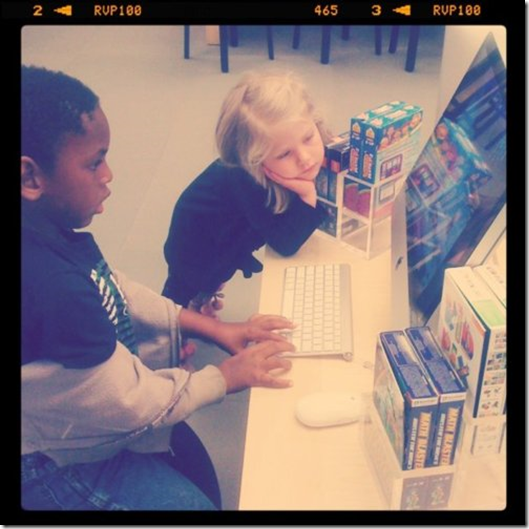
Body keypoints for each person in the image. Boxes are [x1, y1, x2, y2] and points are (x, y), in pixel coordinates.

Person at [21, 65, 295, 511]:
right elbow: (126, 401)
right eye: (94, 162)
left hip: (83, 417)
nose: (108, 174)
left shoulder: (48, 231)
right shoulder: (54, 288)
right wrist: (224, 377)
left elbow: (111, 285)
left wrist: (213, 329)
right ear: (30, 178)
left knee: (196, 469)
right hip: (49, 458)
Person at [162, 69, 331, 317]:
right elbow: (285, 243)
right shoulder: (248, 181)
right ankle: (170, 324)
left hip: (222, 231)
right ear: (255, 159)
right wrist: (307, 195)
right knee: (180, 300)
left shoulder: (284, 156)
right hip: (195, 248)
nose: (305, 158)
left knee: (207, 287)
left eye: (308, 138)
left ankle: (201, 302)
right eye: (284, 154)